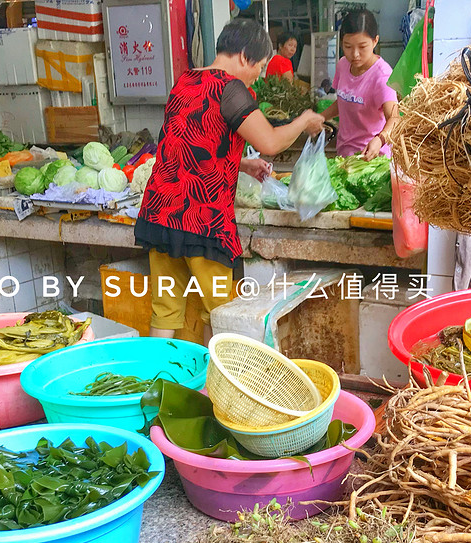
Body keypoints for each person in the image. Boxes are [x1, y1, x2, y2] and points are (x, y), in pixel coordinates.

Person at [135, 20, 326, 343]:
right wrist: (304, 120)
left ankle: (158, 386)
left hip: (160, 214)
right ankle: (217, 389)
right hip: (201, 222)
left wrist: (242, 164)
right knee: (221, 315)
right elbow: (270, 142)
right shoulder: (229, 88)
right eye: (260, 66)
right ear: (244, 56)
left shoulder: (185, 81)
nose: (259, 74)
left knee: (164, 311)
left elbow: (191, 147)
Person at [320, 10, 398, 160]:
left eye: (362, 47)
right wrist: (319, 117)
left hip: (372, 158)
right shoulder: (343, 65)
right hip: (344, 153)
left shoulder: (382, 75)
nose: (355, 54)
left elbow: (394, 119)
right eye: (348, 47)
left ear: (375, 41)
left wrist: (379, 139)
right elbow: (344, 101)